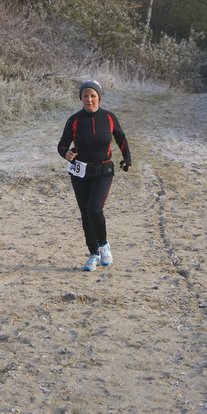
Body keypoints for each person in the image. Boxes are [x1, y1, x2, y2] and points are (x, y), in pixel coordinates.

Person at [57, 80, 131, 271]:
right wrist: (65, 153)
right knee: (85, 214)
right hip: (80, 172)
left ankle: (104, 245)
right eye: (85, 96)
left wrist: (126, 160)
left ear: (98, 97)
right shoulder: (74, 120)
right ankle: (93, 254)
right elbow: (62, 145)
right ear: (80, 98)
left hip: (103, 171)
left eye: (93, 96)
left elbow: (121, 138)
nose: (89, 99)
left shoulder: (108, 117)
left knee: (94, 209)